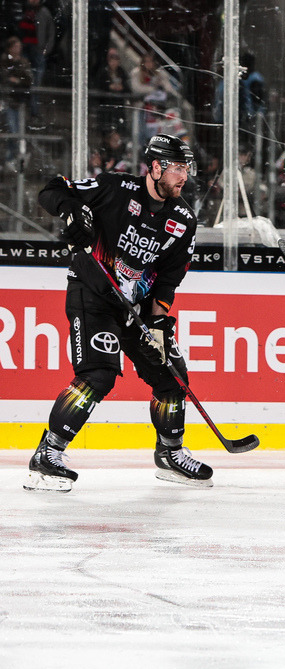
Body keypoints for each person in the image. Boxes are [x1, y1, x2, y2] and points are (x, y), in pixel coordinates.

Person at [25, 134, 207, 493]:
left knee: (173, 379)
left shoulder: (184, 220)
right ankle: (48, 453)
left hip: (137, 309)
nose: (184, 176)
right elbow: (52, 189)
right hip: (92, 294)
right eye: (177, 168)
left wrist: (157, 323)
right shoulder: (114, 187)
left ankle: (170, 454)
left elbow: (169, 280)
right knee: (98, 374)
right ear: (155, 167)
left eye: (187, 168)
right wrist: (72, 210)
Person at [17, 0, 53, 117]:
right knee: (24, 80)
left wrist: (46, 50)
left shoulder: (44, 13)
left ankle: (34, 110)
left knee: (36, 83)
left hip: (38, 50)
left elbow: (51, 33)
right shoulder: (22, 11)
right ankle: (24, 109)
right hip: (24, 50)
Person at [1, 36, 31, 167]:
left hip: (20, 101)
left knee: (18, 133)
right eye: (16, 46)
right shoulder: (4, 61)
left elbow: (28, 79)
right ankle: (9, 158)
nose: (18, 49)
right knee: (12, 131)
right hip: (7, 100)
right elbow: (5, 78)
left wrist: (18, 81)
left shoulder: (23, 61)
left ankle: (12, 157)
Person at [92, 46, 131, 133]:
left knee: (119, 130)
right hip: (106, 106)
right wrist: (109, 87)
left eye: (116, 60)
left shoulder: (122, 72)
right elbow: (98, 87)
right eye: (112, 60)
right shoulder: (103, 72)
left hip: (118, 106)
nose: (114, 63)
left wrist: (122, 87)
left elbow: (128, 88)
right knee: (106, 130)